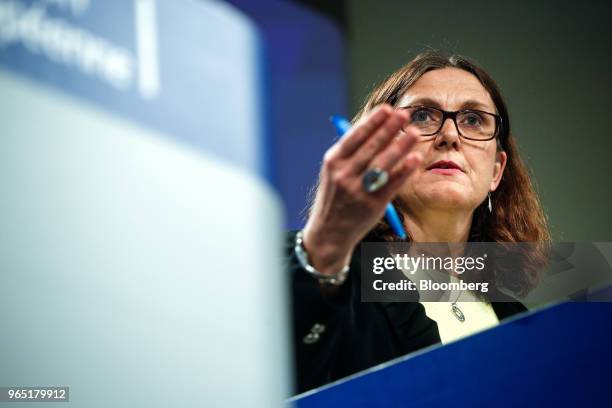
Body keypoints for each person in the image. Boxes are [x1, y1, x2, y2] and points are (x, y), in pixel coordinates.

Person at [286, 51, 550, 394]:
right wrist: (323, 250)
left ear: (496, 172)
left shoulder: (522, 325)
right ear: (378, 149)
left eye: (473, 120)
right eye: (423, 115)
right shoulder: (323, 272)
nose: (450, 136)